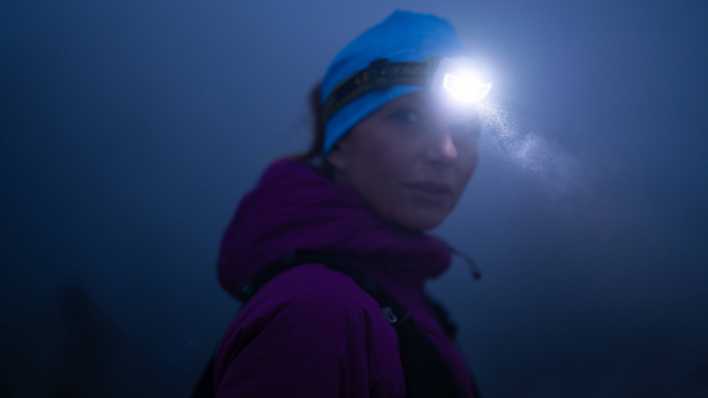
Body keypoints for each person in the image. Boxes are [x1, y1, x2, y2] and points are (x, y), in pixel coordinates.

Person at [208, 9, 486, 398]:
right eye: (407, 117)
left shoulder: (396, 295)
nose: (447, 151)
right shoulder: (316, 310)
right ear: (338, 142)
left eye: (465, 128)